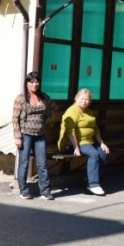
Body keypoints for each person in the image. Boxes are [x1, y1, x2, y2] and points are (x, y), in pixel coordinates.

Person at [58, 88, 110, 196]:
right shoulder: (72, 111)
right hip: (73, 144)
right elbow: (70, 131)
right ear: (76, 98)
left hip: (88, 142)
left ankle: (89, 180)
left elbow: (95, 129)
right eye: (82, 99)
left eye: (87, 99)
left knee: (103, 153)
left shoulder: (89, 112)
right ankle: (93, 184)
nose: (84, 101)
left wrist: (101, 143)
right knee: (94, 154)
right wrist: (76, 147)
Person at [12, 71, 55, 200]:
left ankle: (45, 191)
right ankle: (24, 190)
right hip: (25, 135)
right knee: (24, 163)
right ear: (27, 83)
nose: (34, 84)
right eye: (31, 82)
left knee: (42, 163)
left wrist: (45, 120)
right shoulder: (21, 98)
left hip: (40, 134)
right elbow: (15, 118)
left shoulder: (44, 97)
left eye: (36, 81)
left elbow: (52, 108)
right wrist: (17, 136)